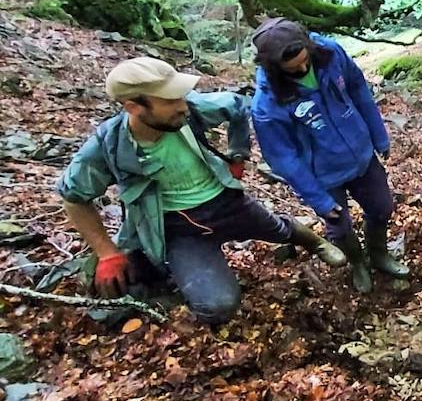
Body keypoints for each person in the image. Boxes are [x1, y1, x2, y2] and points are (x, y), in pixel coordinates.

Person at [58, 56, 347, 325]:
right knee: (218, 306)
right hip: (177, 227)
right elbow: (73, 196)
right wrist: (107, 253)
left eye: (180, 96)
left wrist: (237, 154)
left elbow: (236, 106)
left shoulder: (192, 110)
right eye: (170, 101)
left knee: (277, 229)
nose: (182, 106)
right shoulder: (108, 146)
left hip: (227, 202)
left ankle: (316, 243)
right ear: (134, 106)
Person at [250, 18, 409, 293]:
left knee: (382, 207)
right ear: (274, 68)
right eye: (293, 70)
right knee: (340, 228)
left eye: (304, 61)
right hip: (321, 175)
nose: (302, 68)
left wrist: (378, 135)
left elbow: (358, 88)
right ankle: (357, 262)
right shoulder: (267, 105)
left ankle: (379, 254)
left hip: (360, 154)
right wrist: (318, 199)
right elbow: (283, 158)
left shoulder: (330, 53)